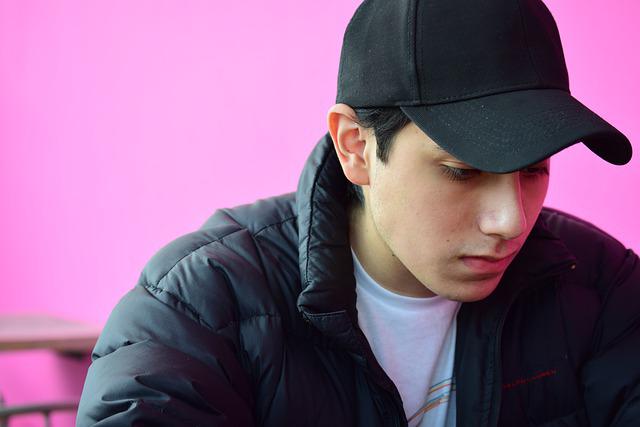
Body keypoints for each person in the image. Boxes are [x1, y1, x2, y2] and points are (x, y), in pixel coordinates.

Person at [77, 0, 639, 426]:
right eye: (463, 172)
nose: (511, 222)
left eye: (533, 169)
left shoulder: (600, 286)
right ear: (356, 146)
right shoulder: (202, 304)